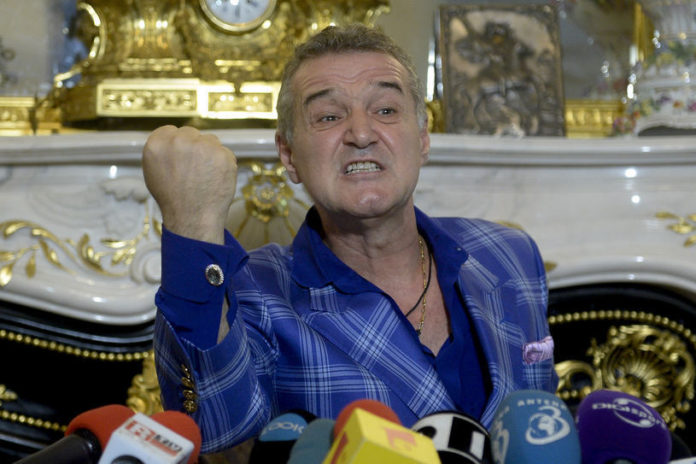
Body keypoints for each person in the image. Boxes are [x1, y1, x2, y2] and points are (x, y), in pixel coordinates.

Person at [142, 23, 558, 454]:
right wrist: (192, 225)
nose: (361, 134)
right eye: (329, 116)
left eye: (386, 110)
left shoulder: (509, 254)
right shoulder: (252, 293)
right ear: (289, 155)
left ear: (422, 138)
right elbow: (213, 431)